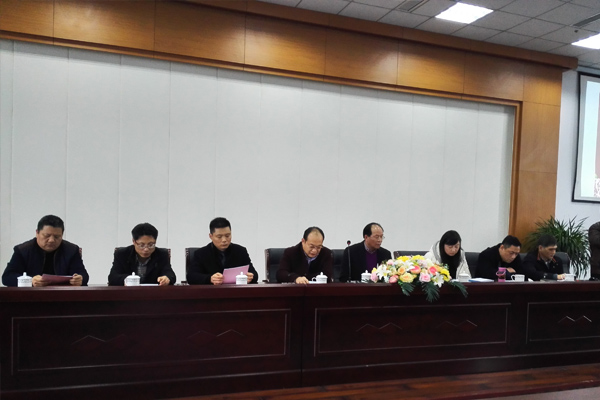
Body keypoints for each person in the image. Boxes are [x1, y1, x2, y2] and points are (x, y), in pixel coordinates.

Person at [2, 215, 89, 287]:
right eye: (46, 235)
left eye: (57, 237)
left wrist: (79, 279)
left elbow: (84, 275)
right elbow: (7, 277)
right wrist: (30, 281)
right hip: (30, 298)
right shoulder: (23, 250)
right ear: (37, 233)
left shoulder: (71, 250)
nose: (51, 240)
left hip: (63, 297)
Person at [187, 217, 258, 285]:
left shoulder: (240, 251)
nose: (224, 240)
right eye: (219, 237)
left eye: (227, 236)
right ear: (211, 236)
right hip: (211, 292)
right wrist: (210, 279)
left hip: (235, 291)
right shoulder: (201, 254)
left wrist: (251, 277)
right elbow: (191, 277)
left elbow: (254, 274)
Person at [108, 223, 176, 286]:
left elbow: (170, 274)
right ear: (134, 241)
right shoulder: (122, 254)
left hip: (153, 293)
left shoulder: (161, 254)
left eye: (150, 245)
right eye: (141, 245)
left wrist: (166, 278)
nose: (146, 249)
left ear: (155, 241)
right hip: (128, 293)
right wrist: (128, 280)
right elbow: (113, 277)